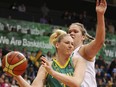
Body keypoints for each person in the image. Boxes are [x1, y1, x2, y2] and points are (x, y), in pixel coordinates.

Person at [8, 29, 87, 87]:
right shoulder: (46, 66)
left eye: (72, 44)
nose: (71, 46)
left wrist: (52, 73)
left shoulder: (78, 61)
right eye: (67, 43)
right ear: (57, 45)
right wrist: (16, 75)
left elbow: (76, 83)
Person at [68, 0, 107, 87]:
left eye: (75, 31)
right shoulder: (68, 54)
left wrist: (100, 15)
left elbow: (99, 42)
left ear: (83, 37)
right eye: (69, 31)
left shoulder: (83, 50)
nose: (71, 33)